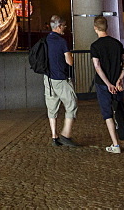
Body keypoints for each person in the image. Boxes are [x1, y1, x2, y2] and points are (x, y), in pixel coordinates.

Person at [90, 16, 124, 154]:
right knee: (121, 110)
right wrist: (119, 79)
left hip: (103, 84)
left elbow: (97, 66)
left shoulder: (95, 46)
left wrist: (107, 83)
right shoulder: (117, 43)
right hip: (117, 83)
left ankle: (115, 144)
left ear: (95, 28)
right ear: (106, 27)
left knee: (107, 113)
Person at [43, 14, 79, 147]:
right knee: (72, 104)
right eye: (64, 26)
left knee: (52, 108)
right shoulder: (62, 41)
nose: (65, 28)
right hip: (61, 79)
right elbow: (69, 62)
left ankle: (54, 136)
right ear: (58, 26)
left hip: (48, 79)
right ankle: (66, 134)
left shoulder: (45, 40)